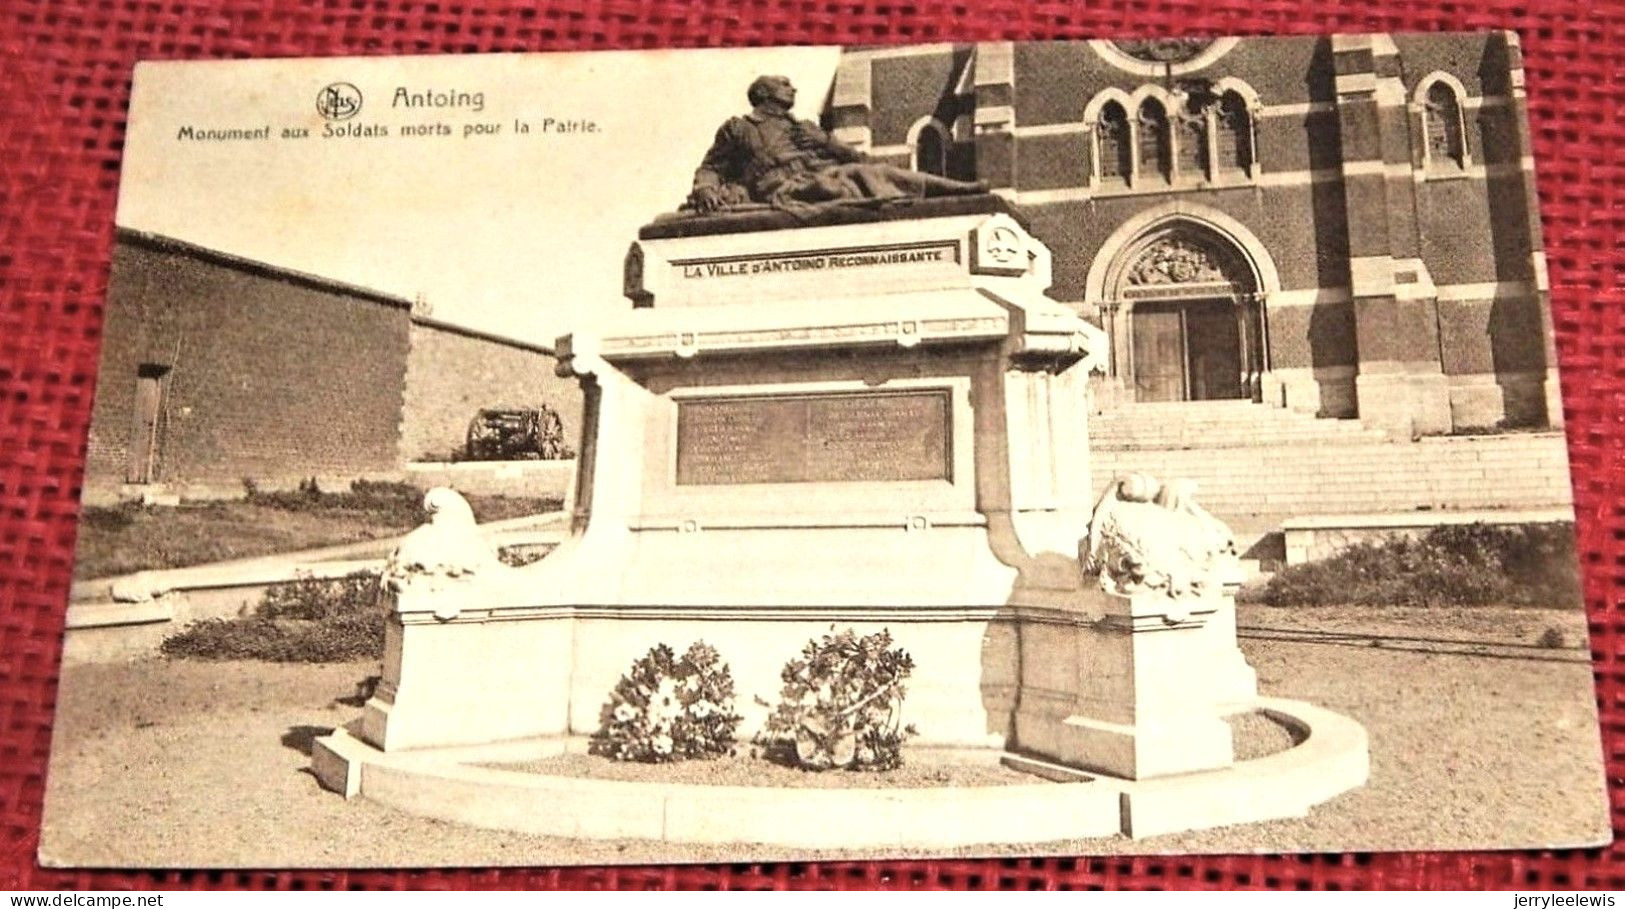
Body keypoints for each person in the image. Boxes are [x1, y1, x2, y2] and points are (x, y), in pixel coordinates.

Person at [686, 75, 989, 214]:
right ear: (764, 93)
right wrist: (704, 188)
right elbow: (711, 167)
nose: (793, 88)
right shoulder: (740, 128)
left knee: (874, 171)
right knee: (842, 183)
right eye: (784, 84)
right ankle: (952, 192)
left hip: (824, 172)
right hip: (783, 186)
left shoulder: (803, 127)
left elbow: (856, 157)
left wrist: (826, 142)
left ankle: (957, 190)